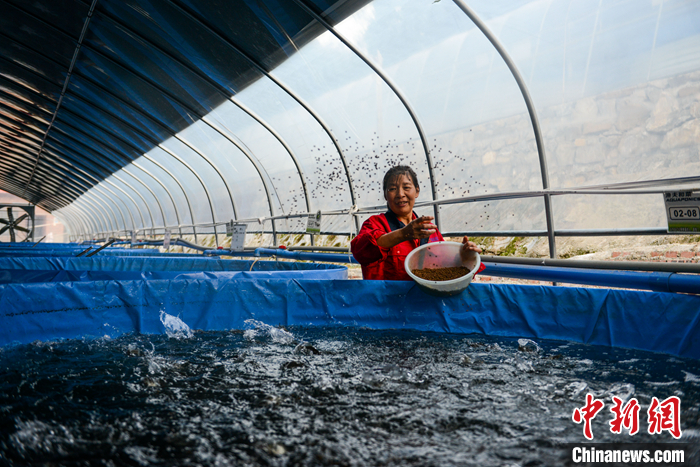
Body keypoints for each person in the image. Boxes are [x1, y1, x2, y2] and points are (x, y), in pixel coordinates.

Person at [351, 165, 483, 281]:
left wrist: (464, 258)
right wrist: (403, 234)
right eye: (392, 189)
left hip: (427, 303)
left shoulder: (429, 229)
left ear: (417, 191)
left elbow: (445, 269)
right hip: (387, 305)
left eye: (406, 187)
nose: (400, 194)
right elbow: (360, 252)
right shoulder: (375, 223)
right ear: (385, 195)